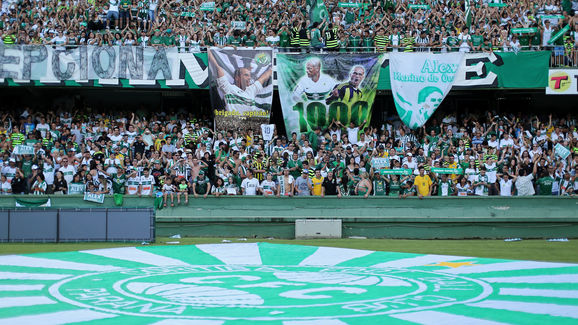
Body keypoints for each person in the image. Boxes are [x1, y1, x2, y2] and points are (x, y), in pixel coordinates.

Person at [208, 50, 272, 114]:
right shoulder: (228, 88)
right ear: (237, 78)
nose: (249, 78)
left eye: (250, 76)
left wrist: (273, 66)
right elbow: (218, 69)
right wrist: (210, 52)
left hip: (250, 122)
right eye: (246, 75)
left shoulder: (252, 89)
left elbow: (264, 77)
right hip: (234, 122)